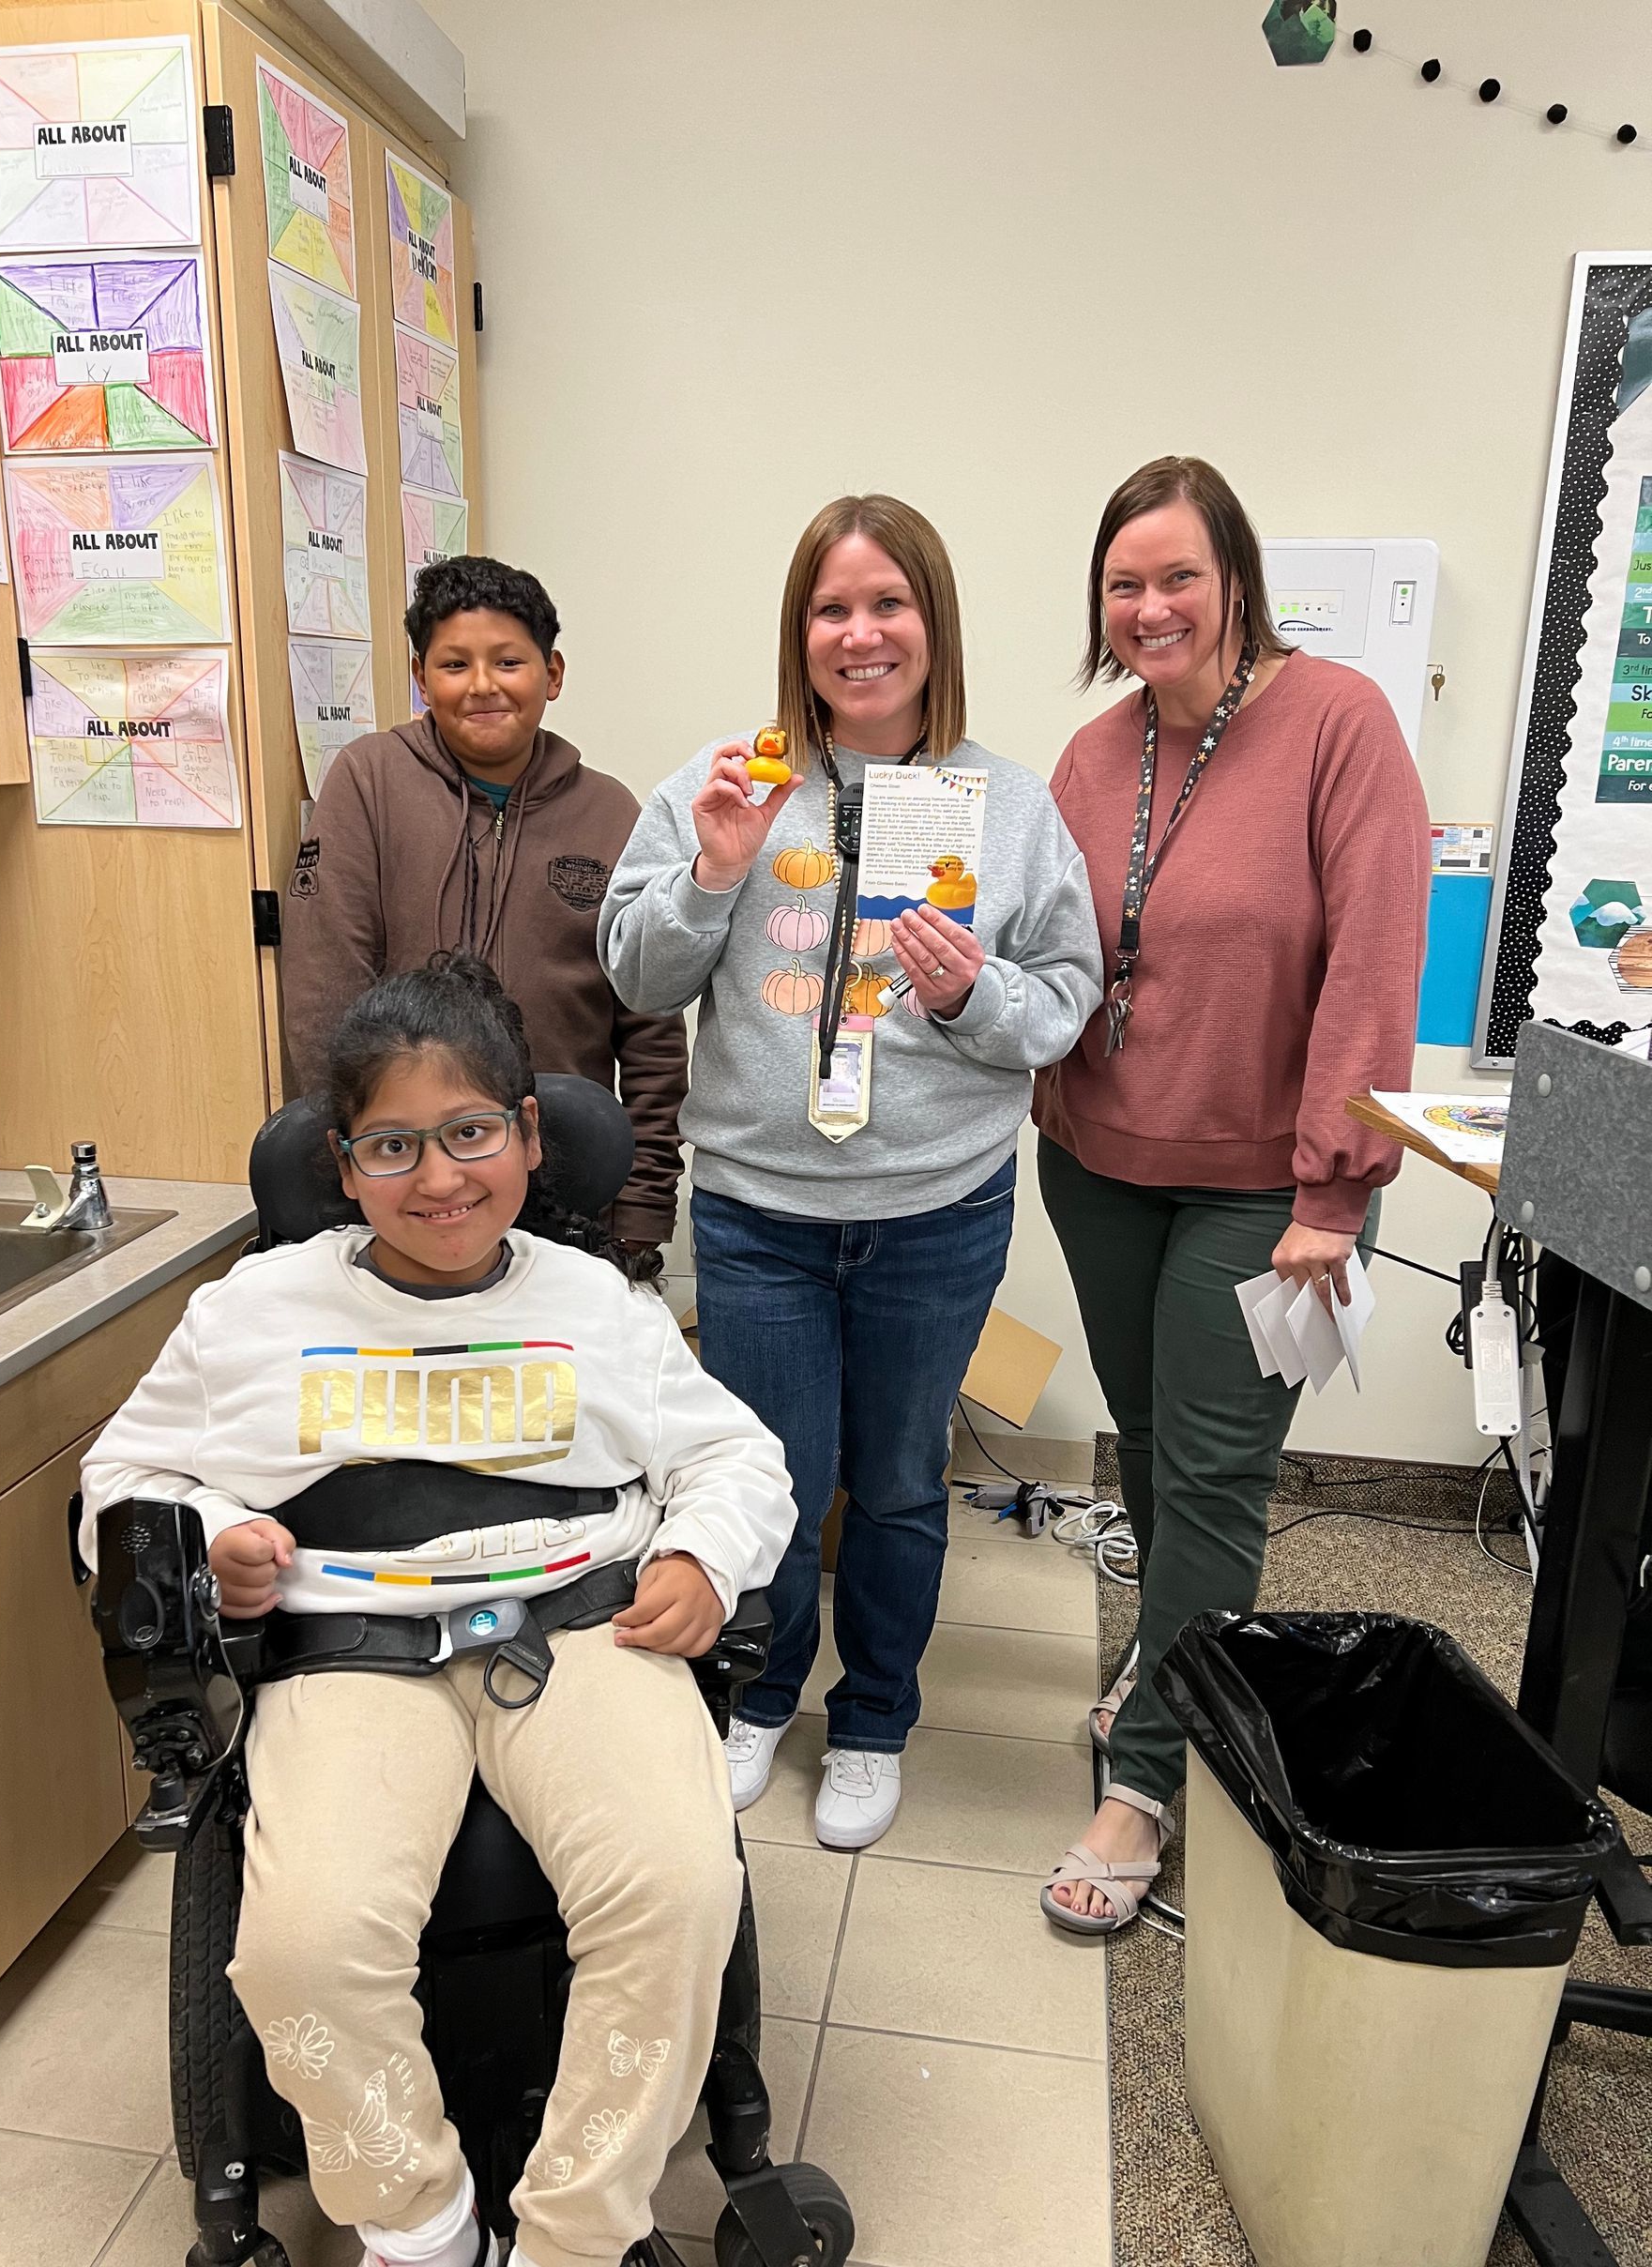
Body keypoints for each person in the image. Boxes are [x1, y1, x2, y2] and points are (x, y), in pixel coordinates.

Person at [79, 952, 794, 2267]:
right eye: (393, 1145)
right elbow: (120, 1477)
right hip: (350, 1650)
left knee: (675, 1887)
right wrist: (217, 1537)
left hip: (582, 1628)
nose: (440, 1177)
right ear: (343, 1168)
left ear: (531, 1137)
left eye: (472, 1132)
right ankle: (419, 2243)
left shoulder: (602, 1306)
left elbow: (738, 1456)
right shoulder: (252, 1312)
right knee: (299, 1944)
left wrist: (706, 1559)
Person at [599, 494, 1102, 1851]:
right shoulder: (726, 782)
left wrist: (971, 998)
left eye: (889, 605)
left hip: (935, 1215)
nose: (861, 633)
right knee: (766, 1471)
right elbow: (635, 975)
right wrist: (711, 870)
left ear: (933, 628)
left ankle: (875, 1716)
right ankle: (763, 1695)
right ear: (799, 631)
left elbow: (1063, 1001)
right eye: (833, 608)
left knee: (891, 1480)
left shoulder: (1006, 805)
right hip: (762, 1211)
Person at [1035, 455, 1430, 1937]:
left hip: (1268, 1189)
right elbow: (1056, 952)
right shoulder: (1092, 755)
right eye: (1123, 585)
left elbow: (1375, 968)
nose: (1149, 607)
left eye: (1177, 578)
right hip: (1096, 1163)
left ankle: (1148, 1780)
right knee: (1151, 1444)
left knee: (1210, 1480)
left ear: (1237, 582)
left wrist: (1335, 1190)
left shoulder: (1340, 725)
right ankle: (1172, 1659)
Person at [281, 555, 687, 1255]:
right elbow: (324, 996)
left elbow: (651, 1029)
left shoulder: (612, 813)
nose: (482, 687)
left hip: (567, 1189)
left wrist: (644, 1214)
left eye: (507, 662)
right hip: (408, 1186)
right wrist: (350, 1182)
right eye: (454, 664)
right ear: (421, 678)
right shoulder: (369, 782)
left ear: (552, 674)